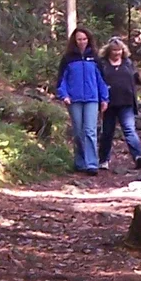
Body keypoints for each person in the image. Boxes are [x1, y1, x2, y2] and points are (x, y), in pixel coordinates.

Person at [54, 27, 109, 174]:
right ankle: (80, 162)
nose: (82, 42)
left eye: (84, 39)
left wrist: (104, 98)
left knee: (90, 131)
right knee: (78, 132)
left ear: (88, 40)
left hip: (92, 99)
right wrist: (64, 95)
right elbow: (61, 80)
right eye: (79, 39)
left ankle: (92, 164)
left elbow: (101, 80)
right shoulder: (68, 59)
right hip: (74, 100)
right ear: (74, 40)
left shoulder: (95, 58)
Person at [98, 37, 141, 171]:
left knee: (129, 129)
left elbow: (138, 79)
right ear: (108, 50)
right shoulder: (103, 64)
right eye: (114, 50)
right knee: (107, 132)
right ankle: (103, 160)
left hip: (126, 102)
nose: (116, 53)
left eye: (119, 50)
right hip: (108, 103)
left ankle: (138, 156)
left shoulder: (128, 63)